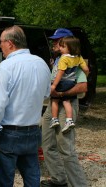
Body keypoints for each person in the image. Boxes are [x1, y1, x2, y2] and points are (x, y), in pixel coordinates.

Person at [0, 26, 51, 187]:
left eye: (1, 42)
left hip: (9, 132)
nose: (0, 46)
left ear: (10, 43)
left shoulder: (6, 66)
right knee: (32, 177)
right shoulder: (41, 63)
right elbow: (46, 93)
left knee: (3, 180)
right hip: (33, 130)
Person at [41, 28, 88, 187]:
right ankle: (59, 180)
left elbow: (82, 88)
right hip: (52, 106)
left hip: (65, 104)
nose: (54, 43)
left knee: (66, 148)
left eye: (57, 40)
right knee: (47, 144)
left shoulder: (75, 61)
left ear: (66, 41)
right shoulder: (57, 59)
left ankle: (79, 184)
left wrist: (61, 94)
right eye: (54, 40)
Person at [50, 36, 89, 133]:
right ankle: (69, 120)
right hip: (71, 82)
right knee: (66, 102)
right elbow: (86, 69)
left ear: (69, 47)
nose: (59, 47)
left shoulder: (63, 59)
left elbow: (60, 73)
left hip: (61, 83)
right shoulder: (78, 57)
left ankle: (54, 119)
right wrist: (86, 75)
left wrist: (54, 86)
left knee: (54, 100)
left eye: (62, 46)